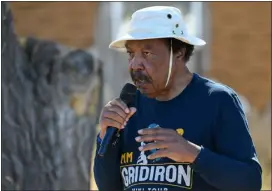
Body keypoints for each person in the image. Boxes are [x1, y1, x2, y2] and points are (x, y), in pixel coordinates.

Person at [94, 6, 262, 191]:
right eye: (131, 54)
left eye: (147, 53)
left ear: (179, 52)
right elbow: (108, 186)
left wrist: (194, 154)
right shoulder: (128, 107)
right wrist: (104, 136)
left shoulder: (217, 101)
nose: (135, 64)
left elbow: (250, 182)